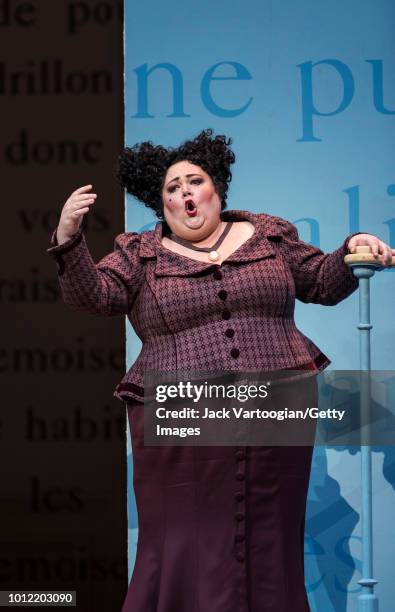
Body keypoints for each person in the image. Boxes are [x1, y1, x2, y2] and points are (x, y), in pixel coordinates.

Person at [47, 129, 394, 612]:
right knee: (186, 538)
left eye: (194, 181)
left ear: (217, 188)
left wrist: (353, 244)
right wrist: (68, 241)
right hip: (181, 410)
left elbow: (321, 280)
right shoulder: (140, 253)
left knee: (271, 535)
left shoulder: (269, 234)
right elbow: (96, 297)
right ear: (160, 202)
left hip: (277, 402)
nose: (185, 193)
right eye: (172, 188)